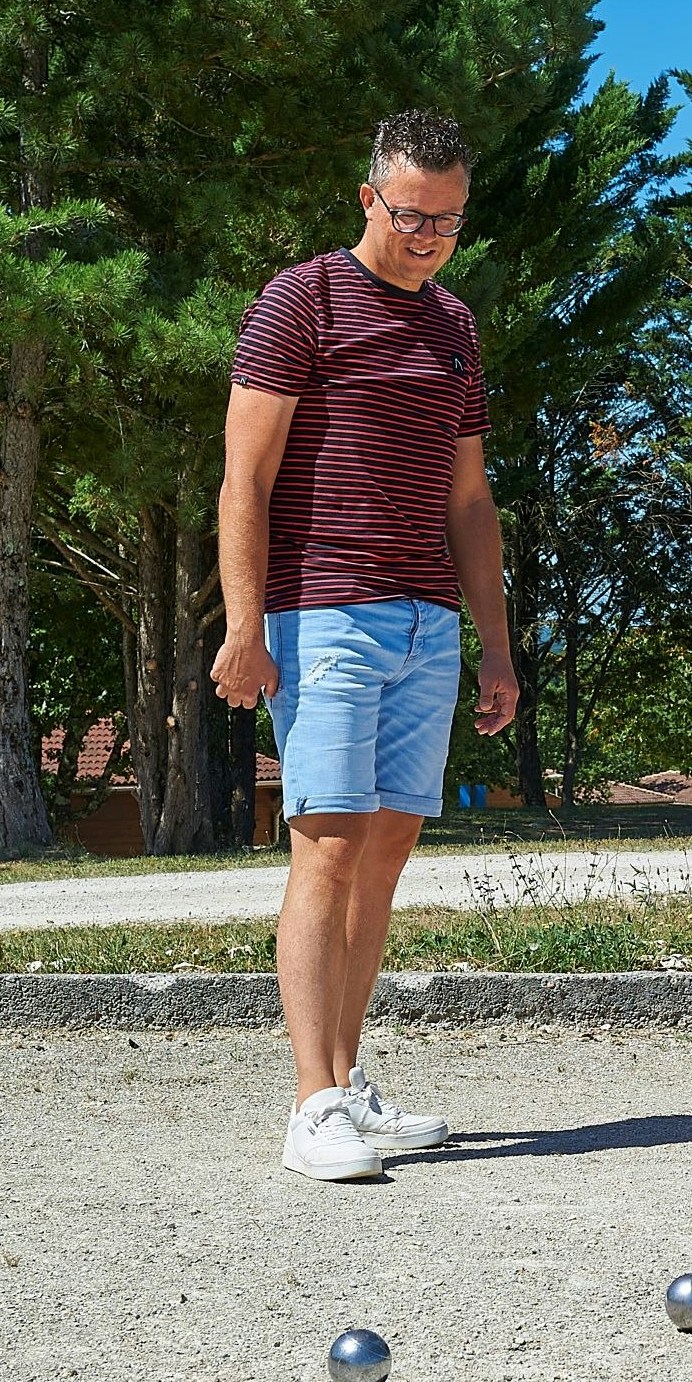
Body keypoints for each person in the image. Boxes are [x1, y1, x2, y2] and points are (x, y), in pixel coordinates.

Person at [211, 111, 520, 1183]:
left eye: (449, 219)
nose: (429, 235)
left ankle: (343, 1083)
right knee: (328, 844)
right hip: (323, 610)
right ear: (368, 198)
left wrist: (494, 644)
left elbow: (469, 499)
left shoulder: (455, 325)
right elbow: (244, 478)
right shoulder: (299, 300)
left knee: (383, 855)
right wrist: (244, 625)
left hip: (427, 619)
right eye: (411, 214)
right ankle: (310, 1105)